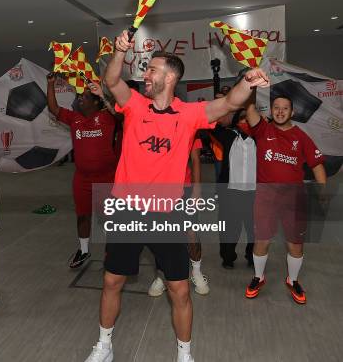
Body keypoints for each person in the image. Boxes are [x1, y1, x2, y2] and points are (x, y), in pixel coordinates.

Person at [84, 30, 270, 362]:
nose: (145, 74)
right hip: (127, 210)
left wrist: (248, 81)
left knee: (180, 289)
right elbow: (112, 82)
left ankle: (185, 354)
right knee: (112, 281)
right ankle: (104, 345)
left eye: (151, 70)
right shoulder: (134, 105)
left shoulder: (188, 115)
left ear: (170, 77)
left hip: (166, 214)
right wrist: (118, 53)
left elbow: (229, 103)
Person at [244, 96, 326, 304]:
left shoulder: (301, 136)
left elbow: (317, 165)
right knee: (262, 240)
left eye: (285, 108)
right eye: (276, 108)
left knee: (295, 245)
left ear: (292, 112)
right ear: (271, 110)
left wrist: (323, 193)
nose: (280, 111)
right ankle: (258, 277)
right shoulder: (263, 130)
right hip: (266, 197)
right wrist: (250, 83)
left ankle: (293, 280)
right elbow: (250, 109)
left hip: (294, 198)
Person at [47, 74, 118, 268]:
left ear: (96, 102)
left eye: (85, 96)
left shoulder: (107, 117)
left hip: (106, 178)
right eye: (80, 96)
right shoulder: (74, 119)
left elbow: (120, 112)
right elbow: (53, 109)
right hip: (82, 179)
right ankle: (84, 250)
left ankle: (110, 252)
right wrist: (50, 83)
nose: (80, 98)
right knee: (82, 215)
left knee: (107, 217)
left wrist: (102, 94)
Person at [148, 135, 209, 297]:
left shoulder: (188, 125)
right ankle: (161, 277)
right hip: (159, 190)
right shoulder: (155, 125)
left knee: (191, 233)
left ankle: (196, 272)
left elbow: (195, 160)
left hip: (185, 189)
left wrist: (196, 191)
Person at [212, 109, 255, 269]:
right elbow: (212, 126)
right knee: (229, 228)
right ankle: (228, 257)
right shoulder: (228, 137)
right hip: (230, 193)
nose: (247, 122)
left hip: (254, 194)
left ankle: (252, 257)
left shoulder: (262, 139)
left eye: (249, 119)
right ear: (237, 122)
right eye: (243, 119)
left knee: (254, 229)